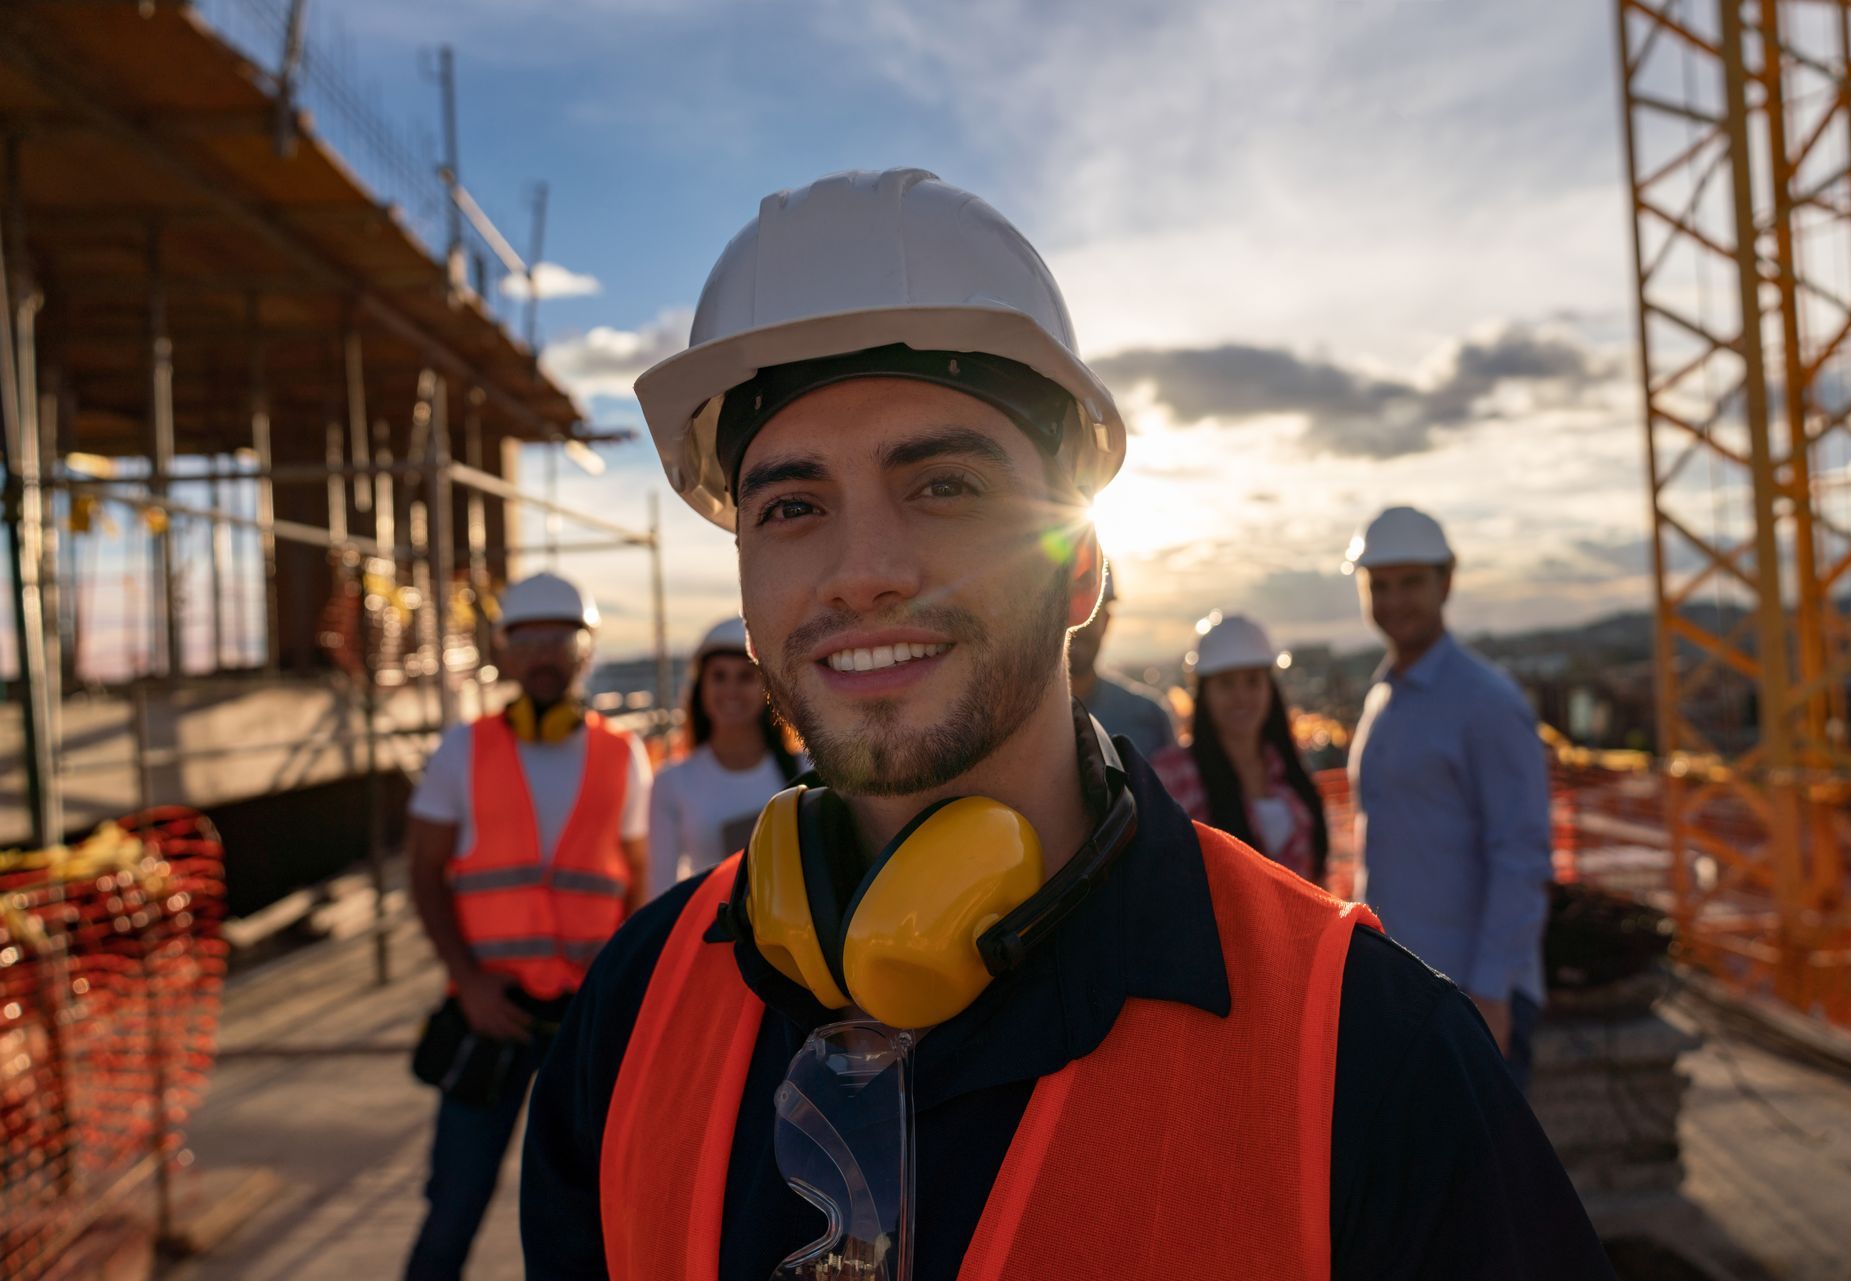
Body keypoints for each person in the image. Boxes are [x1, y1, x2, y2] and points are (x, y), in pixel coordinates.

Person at [521, 169, 1610, 1280]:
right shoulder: (632, 1022)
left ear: (1081, 563)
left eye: (944, 487)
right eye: (792, 508)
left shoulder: (1366, 1057)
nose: (863, 574)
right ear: (748, 589)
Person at [402, 571, 652, 1281]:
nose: (543, 653)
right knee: (453, 1206)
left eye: (559, 639)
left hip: (586, 1020)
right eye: (528, 638)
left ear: (585, 650)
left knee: (593, 1212)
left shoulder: (623, 755)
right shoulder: (461, 750)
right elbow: (423, 872)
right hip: (492, 1013)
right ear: (506, 652)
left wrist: (620, 995)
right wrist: (469, 982)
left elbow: (638, 885)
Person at [1345, 505, 1554, 1092]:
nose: (1394, 601)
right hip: (1407, 989)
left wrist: (1490, 994)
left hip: (1468, 996)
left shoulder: (1485, 702)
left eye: (1411, 582)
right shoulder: (1384, 699)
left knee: (1483, 1183)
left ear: (1447, 581)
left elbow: (1521, 855)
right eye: (1379, 586)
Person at [1152, 614, 1327, 884]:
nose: (1241, 696)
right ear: (1204, 693)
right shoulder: (1171, 776)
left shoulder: (1286, 765)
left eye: (1253, 681)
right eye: (1226, 683)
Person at [644, 616, 804, 901]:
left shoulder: (806, 771)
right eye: (719, 676)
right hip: (714, 939)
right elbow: (661, 893)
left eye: (745, 677)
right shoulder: (672, 783)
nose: (731, 690)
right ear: (700, 688)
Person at [1067, 567, 1176, 757]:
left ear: (1107, 621)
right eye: (1066, 611)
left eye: (1089, 613)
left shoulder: (1150, 719)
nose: (1079, 627)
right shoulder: (1008, 721)